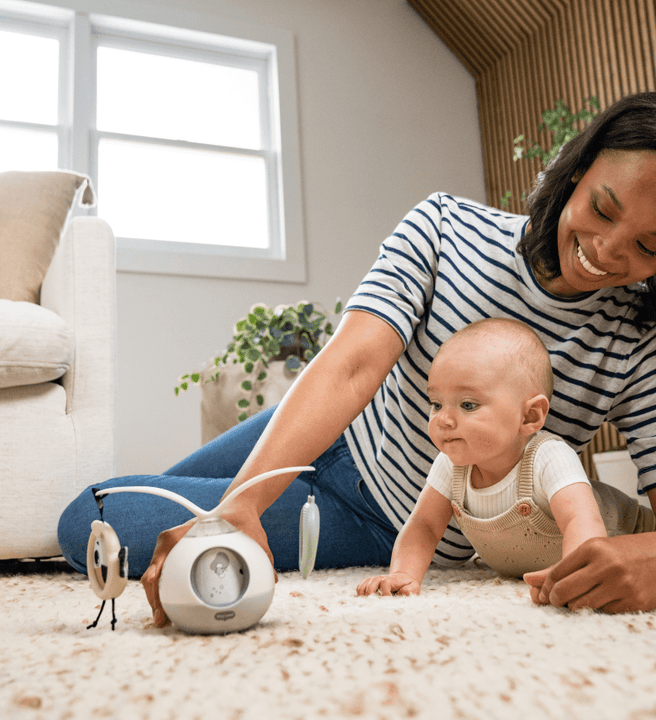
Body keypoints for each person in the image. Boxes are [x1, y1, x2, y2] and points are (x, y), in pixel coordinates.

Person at [58, 91, 656, 623]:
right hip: (328, 426)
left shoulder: (637, 340)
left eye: (648, 245)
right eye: (602, 210)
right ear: (576, 171)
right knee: (158, 515)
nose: (605, 251)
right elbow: (350, 366)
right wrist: (242, 503)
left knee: (89, 516)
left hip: (377, 516)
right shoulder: (445, 226)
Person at [356, 318, 655, 598]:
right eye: (436, 403)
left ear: (529, 416)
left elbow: (582, 520)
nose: (444, 419)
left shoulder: (549, 456)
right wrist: (403, 573)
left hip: (637, 540)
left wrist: (572, 575)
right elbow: (424, 525)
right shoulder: (451, 465)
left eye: (468, 404)